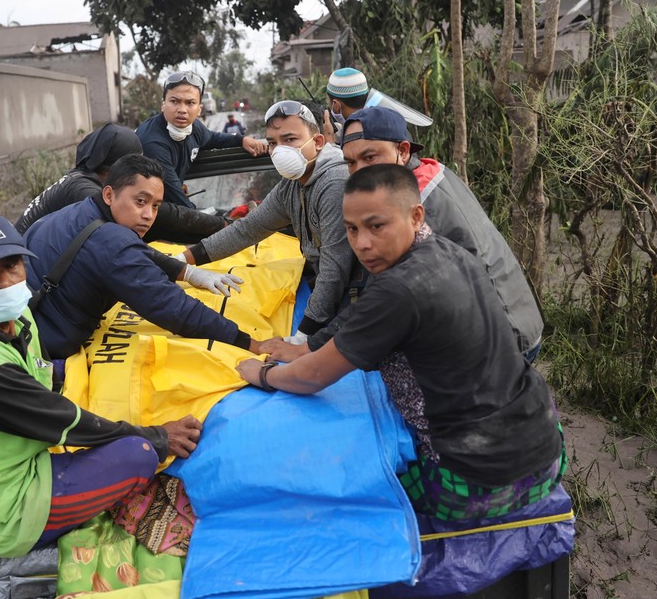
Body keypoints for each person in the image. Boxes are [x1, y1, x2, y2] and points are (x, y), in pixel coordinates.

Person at [237, 165, 564, 521]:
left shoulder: (398, 289)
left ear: (416, 215)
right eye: (351, 229)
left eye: (376, 226)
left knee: (331, 493)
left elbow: (311, 377)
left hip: (476, 477)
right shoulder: (449, 251)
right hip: (546, 444)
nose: (362, 243)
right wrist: (309, 345)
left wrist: (262, 374)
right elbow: (361, 318)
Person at [0, 211, 203, 558]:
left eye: (12, 265)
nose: (5, 282)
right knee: (138, 454)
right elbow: (69, 423)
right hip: (2, 508)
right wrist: (159, 437)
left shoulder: (17, 315)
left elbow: (43, 374)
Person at [334, 106, 544, 361]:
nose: (359, 172)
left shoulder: (412, 203)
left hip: (503, 339)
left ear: (403, 151)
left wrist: (314, 345)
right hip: (516, 318)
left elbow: (386, 294)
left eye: (370, 157)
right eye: (351, 163)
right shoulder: (430, 171)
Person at [24, 154, 260, 360]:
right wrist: (249, 343)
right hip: (45, 345)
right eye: (140, 201)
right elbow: (171, 306)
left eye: (156, 206)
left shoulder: (79, 212)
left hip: (27, 325)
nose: (149, 215)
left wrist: (188, 272)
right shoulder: (112, 240)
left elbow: (134, 253)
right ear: (109, 195)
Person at [176, 100, 359, 343]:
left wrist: (303, 335)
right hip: (322, 285)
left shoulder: (334, 182)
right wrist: (179, 262)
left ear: (317, 142)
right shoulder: (292, 184)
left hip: (352, 297)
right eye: (273, 143)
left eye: (290, 139)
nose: (279, 151)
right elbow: (246, 230)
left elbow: (335, 268)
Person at [15, 124, 226, 243]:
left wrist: (220, 228)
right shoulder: (83, 190)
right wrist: (222, 225)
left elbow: (159, 220)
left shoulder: (85, 179)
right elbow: (163, 217)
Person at [136, 70, 268, 208]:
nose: (182, 110)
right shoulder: (153, 143)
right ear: (163, 105)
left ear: (199, 109)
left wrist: (241, 140)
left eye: (190, 103)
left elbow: (213, 138)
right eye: (174, 101)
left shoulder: (195, 128)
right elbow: (177, 199)